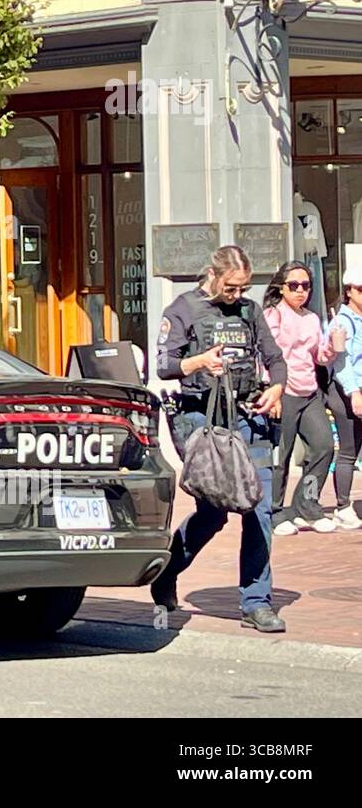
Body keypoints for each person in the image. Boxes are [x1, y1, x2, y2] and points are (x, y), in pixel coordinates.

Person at [151, 245, 287, 633]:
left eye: (243, 287)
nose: (236, 295)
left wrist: (276, 389)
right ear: (213, 275)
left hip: (248, 415)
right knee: (214, 513)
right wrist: (197, 362)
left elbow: (276, 360)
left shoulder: (250, 311)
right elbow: (164, 365)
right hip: (202, 419)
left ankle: (256, 603)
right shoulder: (183, 309)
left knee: (259, 510)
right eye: (230, 287)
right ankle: (168, 569)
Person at [263, 262, 341, 536]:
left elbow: (319, 356)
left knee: (324, 446)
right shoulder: (273, 315)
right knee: (280, 456)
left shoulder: (311, 318)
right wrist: (272, 392)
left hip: (309, 392)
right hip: (283, 392)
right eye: (294, 286)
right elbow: (266, 356)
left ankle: (305, 505)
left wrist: (332, 344)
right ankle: (274, 511)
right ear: (281, 287)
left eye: (306, 286)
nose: (300, 291)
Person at [324, 269, 362, 529]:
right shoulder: (342, 321)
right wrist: (354, 393)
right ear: (349, 290)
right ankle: (342, 505)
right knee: (349, 449)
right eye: (361, 289)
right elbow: (341, 362)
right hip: (347, 391)